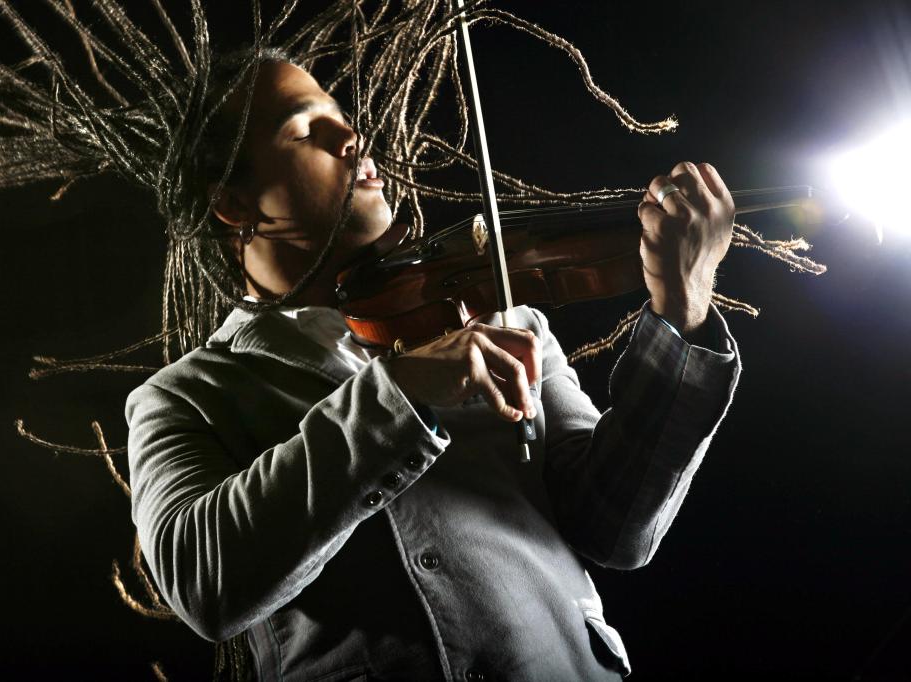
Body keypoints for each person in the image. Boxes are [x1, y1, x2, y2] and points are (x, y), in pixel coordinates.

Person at [125, 55, 740, 681]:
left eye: (344, 118)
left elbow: (617, 527)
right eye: (307, 129)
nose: (354, 138)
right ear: (233, 204)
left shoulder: (502, 321)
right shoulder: (183, 397)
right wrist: (398, 392)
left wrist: (681, 311)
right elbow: (202, 582)